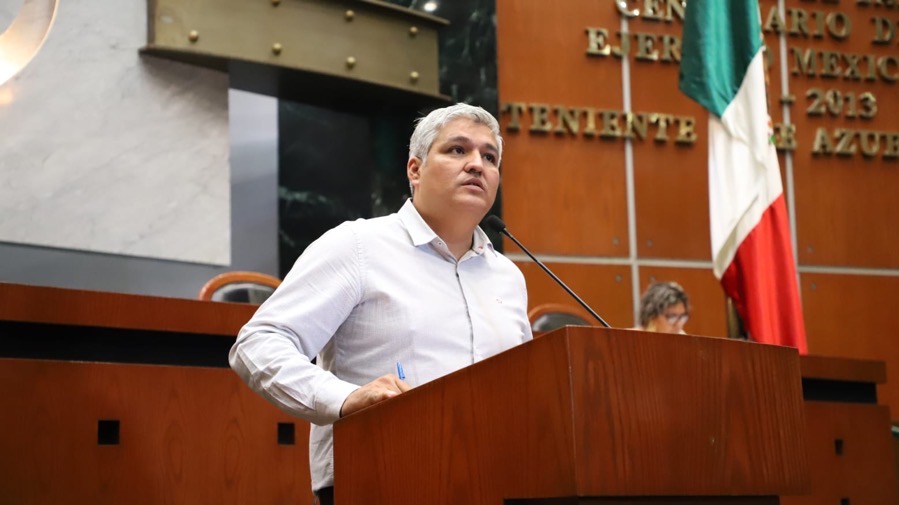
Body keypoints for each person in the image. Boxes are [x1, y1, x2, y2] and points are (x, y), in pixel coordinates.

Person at [228, 103, 533, 505]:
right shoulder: (358, 246)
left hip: (499, 483)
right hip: (380, 475)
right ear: (415, 169)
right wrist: (343, 399)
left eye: (489, 156)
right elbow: (258, 343)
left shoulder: (508, 277)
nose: (477, 164)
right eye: (458, 150)